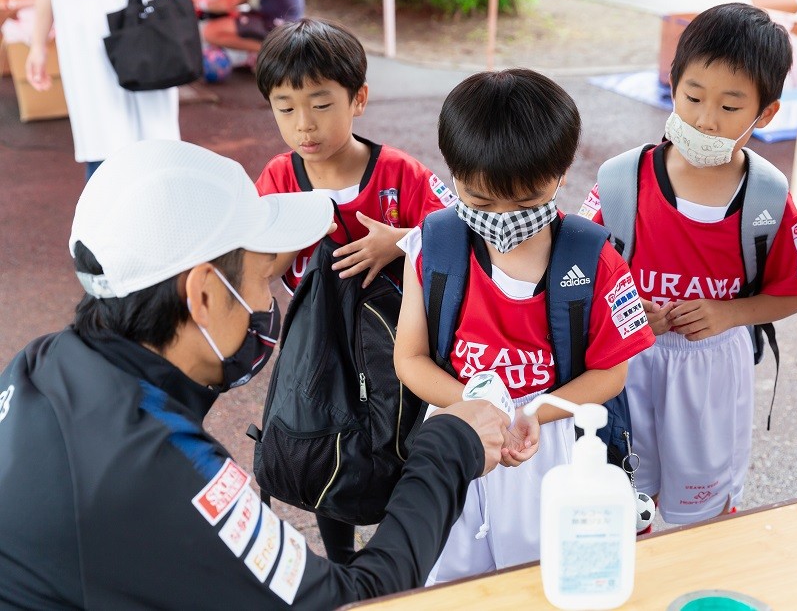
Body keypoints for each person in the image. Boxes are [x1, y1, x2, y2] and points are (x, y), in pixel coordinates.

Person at [0, 139, 509, 609]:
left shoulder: (39, 367)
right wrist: (448, 445)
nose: (268, 303)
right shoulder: (157, 466)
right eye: (264, 277)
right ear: (202, 294)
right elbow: (351, 601)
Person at [394, 68, 656, 584]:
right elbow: (410, 358)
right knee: (447, 580)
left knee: (539, 580)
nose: (503, 218)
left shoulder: (596, 259)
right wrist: (477, 411)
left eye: (527, 202)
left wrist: (534, 411)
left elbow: (611, 374)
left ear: (561, 176)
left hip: (549, 448)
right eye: (481, 201)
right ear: (453, 174)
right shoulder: (432, 247)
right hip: (455, 439)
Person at [579, 3, 797, 525]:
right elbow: (577, 272)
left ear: (766, 113)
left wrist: (730, 314)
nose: (706, 119)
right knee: (621, 497)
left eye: (731, 107)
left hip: (712, 369)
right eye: (693, 97)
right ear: (671, 83)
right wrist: (627, 307)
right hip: (624, 365)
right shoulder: (622, 181)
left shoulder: (767, 197)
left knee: (701, 513)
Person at [254, 17, 457, 563]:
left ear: (358, 98)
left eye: (321, 104)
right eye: (285, 107)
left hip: (393, 347)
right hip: (319, 346)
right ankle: (341, 556)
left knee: (396, 436)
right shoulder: (278, 179)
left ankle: (399, 547)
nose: (304, 125)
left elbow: (454, 235)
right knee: (325, 436)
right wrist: (291, 236)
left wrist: (400, 242)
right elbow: (261, 266)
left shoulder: (398, 173)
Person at [26, 0, 180, 181]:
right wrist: (37, 45)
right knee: (102, 150)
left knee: (155, 151)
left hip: (140, 39)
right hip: (82, 53)